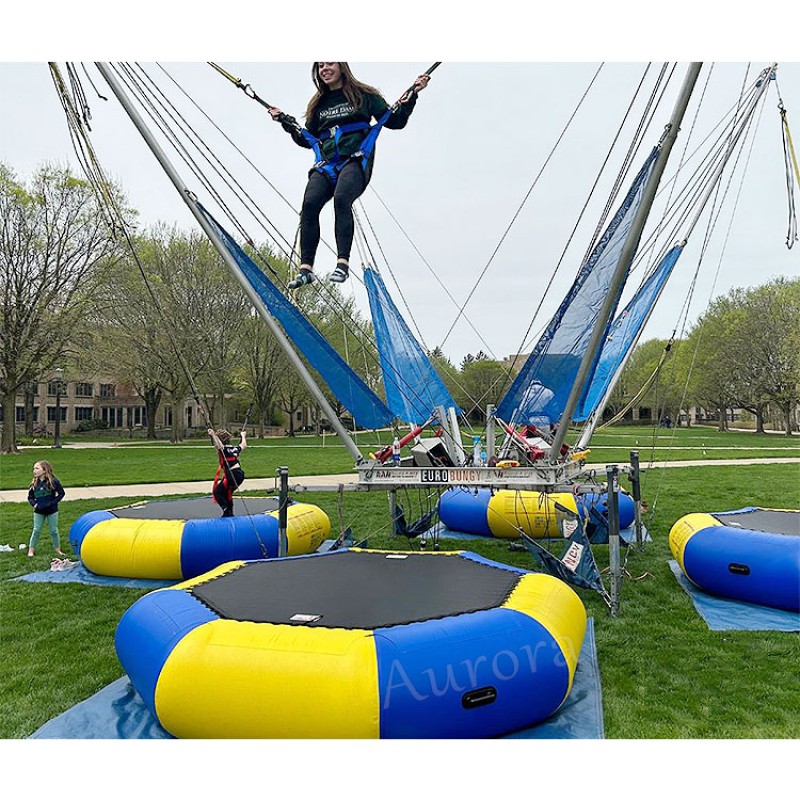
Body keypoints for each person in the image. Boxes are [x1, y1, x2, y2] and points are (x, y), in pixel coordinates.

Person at [269, 62, 431, 289]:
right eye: (320, 66)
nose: (324, 69)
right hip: (327, 164)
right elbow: (307, 139)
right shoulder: (318, 105)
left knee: (342, 198)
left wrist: (413, 95)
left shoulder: (364, 95)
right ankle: (306, 268)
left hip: (355, 160)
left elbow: (394, 121)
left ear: (341, 66)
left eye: (329, 63)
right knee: (309, 204)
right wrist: (286, 124)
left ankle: (342, 263)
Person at [27, 460, 66, 557]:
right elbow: (30, 497)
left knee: (54, 531)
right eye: (34, 468)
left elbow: (61, 493)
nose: (34, 470)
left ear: (44, 470)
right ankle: (31, 550)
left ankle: (57, 549)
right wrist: (34, 505)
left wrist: (52, 503)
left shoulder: (53, 481)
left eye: (37, 468)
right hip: (38, 511)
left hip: (52, 511)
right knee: (36, 530)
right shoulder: (34, 483)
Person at [208, 427, 247, 517]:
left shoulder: (223, 449)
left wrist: (213, 435)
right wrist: (243, 436)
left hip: (232, 474)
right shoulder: (234, 449)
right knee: (227, 492)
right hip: (239, 474)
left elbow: (219, 445)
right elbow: (243, 445)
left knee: (217, 492)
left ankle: (226, 509)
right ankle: (229, 512)